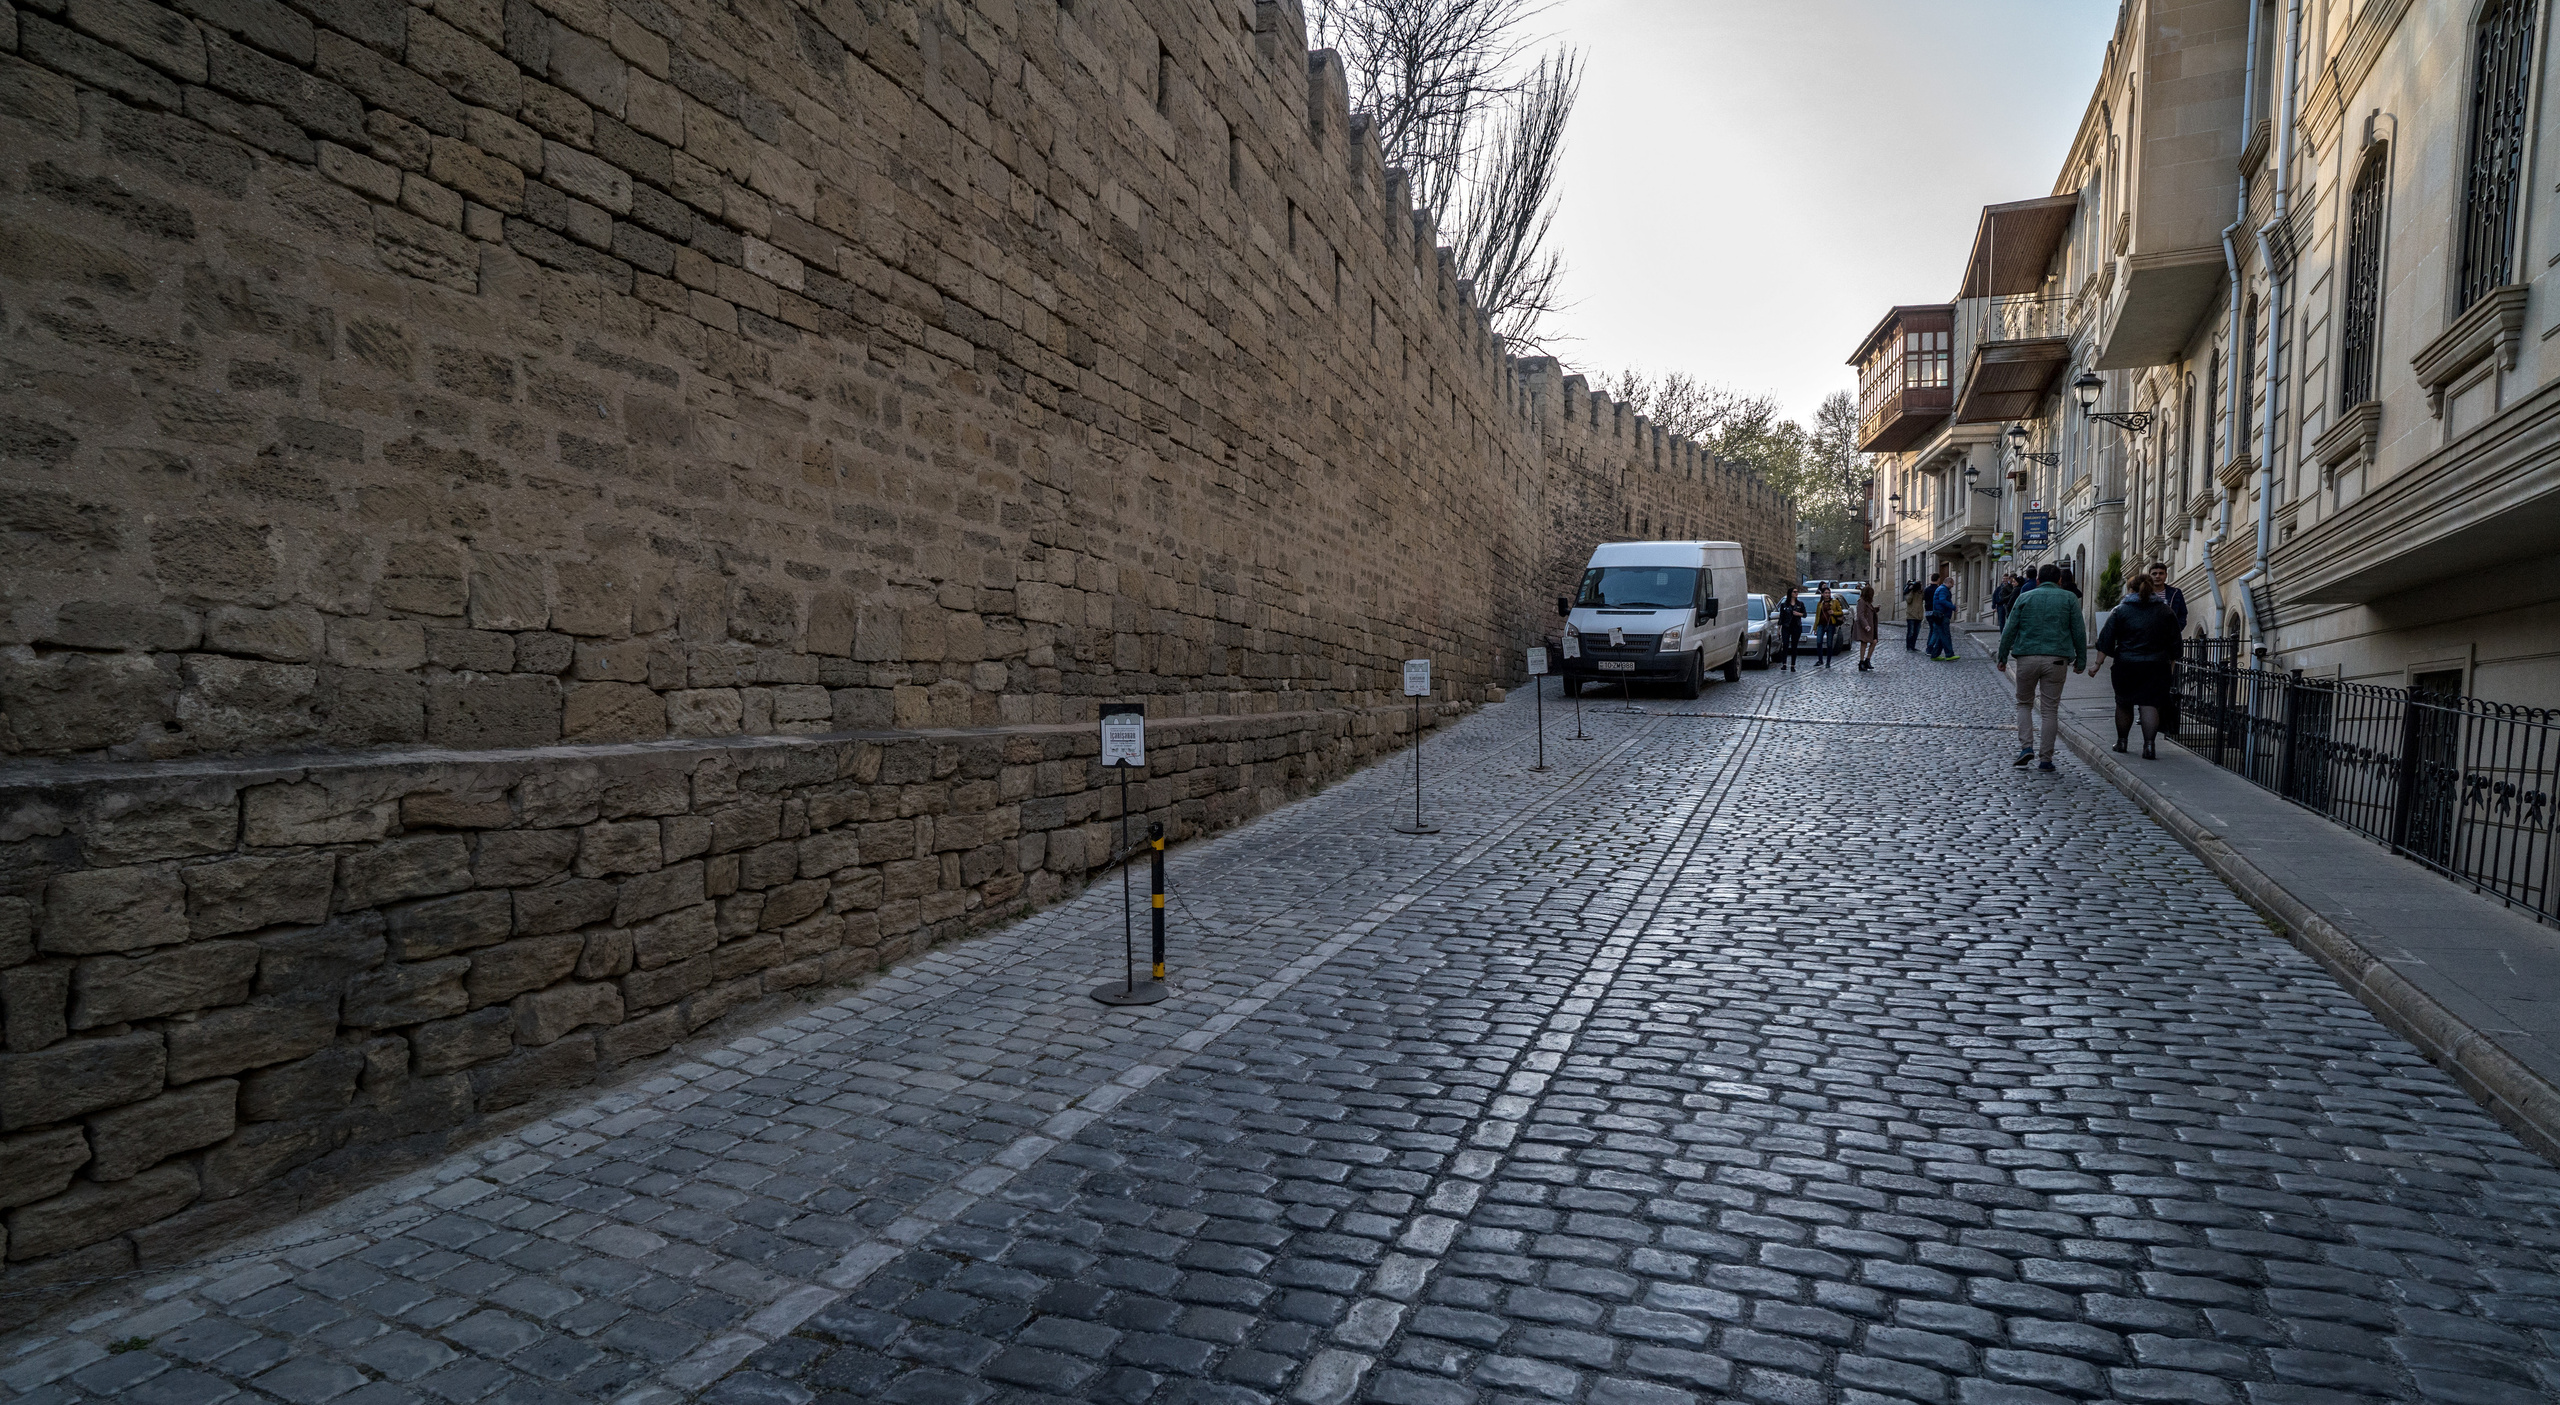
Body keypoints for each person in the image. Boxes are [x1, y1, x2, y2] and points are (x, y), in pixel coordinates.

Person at [1995, 563, 2086, 772]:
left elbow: (2010, 629)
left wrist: (2002, 656)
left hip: (2026, 657)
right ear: (2060, 581)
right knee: (2049, 710)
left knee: (2024, 704)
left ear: (2037, 580)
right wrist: (2081, 660)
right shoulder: (2069, 598)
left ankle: (2026, 747)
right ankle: (2046, 759)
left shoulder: (2025, 597)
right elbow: (2079, 631)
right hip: (2057, 659)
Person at [2090, 572, 2183, 759]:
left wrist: (2097, 665)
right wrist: (2171, 665)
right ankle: (2149, 746)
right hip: (2156, 665)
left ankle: (2122, 742)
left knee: (2124, 703)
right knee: (2150, 704)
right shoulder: (2165, 611)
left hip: (2126, 664)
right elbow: (2175, 643)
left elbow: (2106, 640)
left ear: (2130, 589)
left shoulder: (2120, 610)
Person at [2148, 562, 2190, 633]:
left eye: (2161, 573)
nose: (2157, 576)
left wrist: (2175, 630)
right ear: (2149, 576)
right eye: (2154, 574)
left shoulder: (2175, 593)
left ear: (2166, 575)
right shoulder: (2143, 594)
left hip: (2169, 637)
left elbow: (2182, 614)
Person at [1925, 570, 1958, 661]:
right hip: (1941, 615)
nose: (1953, 586)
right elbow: (1942, 601)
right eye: (1952, 584)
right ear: (1949, 582)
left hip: (1939, 615)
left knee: (1940, 635)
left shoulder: (1941, 588)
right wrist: (1953, 607)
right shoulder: (1943, 589)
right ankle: (1949, 654)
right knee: (1945, 635)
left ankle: (1935, 655)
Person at [1812, 584, 1844, 667]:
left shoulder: (1835, 602)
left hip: (1830, 624)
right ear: (1822, 594)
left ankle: (1828, 662)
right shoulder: (1820, 603)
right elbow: (1817, 616)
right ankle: (1820, 660)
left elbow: (1841, 612)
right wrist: (1815, 627)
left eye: (1828, 593)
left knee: (1829, 643)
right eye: (1825, 593)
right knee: (1819, 642)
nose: (1827, 594)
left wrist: (1833, 613)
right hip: (1821, 625)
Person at [1851, 582, 1881, 671]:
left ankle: (1867, 660)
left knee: (1874, 641)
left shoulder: (1867, 602)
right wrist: (1866, 625)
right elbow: (1861, 615)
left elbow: (1869, 611)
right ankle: (1861, 662)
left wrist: (1876, 609)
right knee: (1864, 643)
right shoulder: (1861, 602)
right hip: (1864, 626)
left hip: (1870, 626)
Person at [1776, 589, 1805, 671]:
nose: (1796, 593)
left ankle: (1793, 665)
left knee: (1794, 646)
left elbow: (1804, 614)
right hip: (1786, 626)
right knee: (1785, 644)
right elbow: (1781, 617)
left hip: (1796, 626)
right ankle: (1784, 663)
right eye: (1794, 592)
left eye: (1797, 592)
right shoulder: (1784, 604)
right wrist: (1779, 629)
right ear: (1790, 593)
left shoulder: (1800, 604)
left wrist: (1798, 614)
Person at [1904, 579, 1927, 652]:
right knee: (1910, 632)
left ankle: (1913, 646)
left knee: (1916, 633)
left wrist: (1922, 589)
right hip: (1911, 615)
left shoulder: (1920, 593)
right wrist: (1911, 590)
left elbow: (1924, 598)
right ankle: (1909, 647)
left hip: (1919, 615)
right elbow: (1908, 600)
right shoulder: (1910, 592)